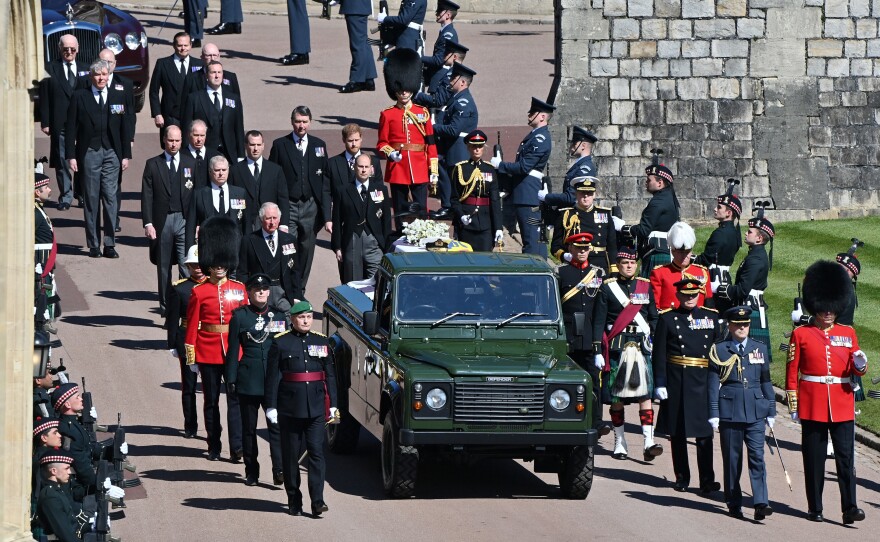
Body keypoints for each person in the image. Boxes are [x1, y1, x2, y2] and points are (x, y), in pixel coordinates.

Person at [786, 260, 867, 525]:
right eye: (824, 308)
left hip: (842, 402)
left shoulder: (848, 332)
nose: (828, 313)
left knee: (846, 459)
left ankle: (850, 507)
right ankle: (815, 507)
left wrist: (861, 364)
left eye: (832, 308)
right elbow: (792, 371)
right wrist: (794, 404)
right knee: (814, 459)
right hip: (813, 403)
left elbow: (856, 366)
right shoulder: (802, 334)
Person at [184, 216, 248, 461]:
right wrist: (192, 356)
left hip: (234, 352)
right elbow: (192, 327)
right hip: (208, 351)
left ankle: (237, 447)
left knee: (235, 402)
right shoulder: (199, 292)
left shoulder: (239, 289)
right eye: (215, 262)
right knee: (211, 402)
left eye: (223, 262)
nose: (219, 266)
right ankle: (213, 445)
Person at [267, 300, 338, 517]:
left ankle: (317, 500)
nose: (306, 321)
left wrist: (334, 405)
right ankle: (293, 498)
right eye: (301, 317)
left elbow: (330, 376)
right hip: (290, 409)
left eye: (308, 317)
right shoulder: (281, 343)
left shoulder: (322, 342)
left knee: (316, 453)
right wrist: (271, 407)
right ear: (292, 320)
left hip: (315, 409)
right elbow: (272, 378)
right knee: (291, 456)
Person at [592, 246, 661, 461]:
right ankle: (619, 442)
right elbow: (599, 321)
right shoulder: (608, 288)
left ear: (636, 264)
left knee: (645, 395)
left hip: (641, 346)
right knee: (617, 397)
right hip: (618, 347)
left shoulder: (645, 286)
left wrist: (656, 342)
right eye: (625, 263)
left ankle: (648, 441)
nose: (629, 266)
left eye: (632, 263)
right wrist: (597, 349)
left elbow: (653, 317)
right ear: (618, 265)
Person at [653, 278, 720, 494]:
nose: (690, 298)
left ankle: (707, 479)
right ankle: (682, 476)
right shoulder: (668, 319)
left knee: (704, 434)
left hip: (703, 379)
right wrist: (660, 382)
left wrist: (719, 381)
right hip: (677, 380)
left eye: (694, 295)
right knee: (678, 432)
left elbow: (718, 354)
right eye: (686, 295)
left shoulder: (711, 317)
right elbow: (659, 354)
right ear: (679, 296)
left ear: (699, 294)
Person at [708, 306, 775, 520]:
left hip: (756, 411)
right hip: (730, 410)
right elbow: (712, 384)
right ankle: (733, 501)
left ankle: (761, 502)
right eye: (738, 325)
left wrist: (771, 410)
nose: (742, 328)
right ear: (730, 326)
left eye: (745, 325)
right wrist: (714, 412)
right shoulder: (719, 350)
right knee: (732, 459)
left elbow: (766, 381)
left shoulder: (759, 348)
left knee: (757, 457)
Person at [66, 59, 132, 259]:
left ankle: (110, 244)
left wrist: (126, 154)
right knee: (92, 198)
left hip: (112, 152)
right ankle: (94, 244)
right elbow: (70, 128)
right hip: (90, 152)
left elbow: (124, 127)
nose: (101, 78)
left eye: (104, 74)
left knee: (111, 198)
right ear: (91, 77)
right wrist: (71, 155)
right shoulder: (80, 97)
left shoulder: (117, 95)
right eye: (97, 75)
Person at [226, 274, 288, 486]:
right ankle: (251, 471)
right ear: (249, 293)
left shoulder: (279, 317)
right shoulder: (240, 317)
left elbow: (286, 351)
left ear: (269, 292)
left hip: (274, 381)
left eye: (264, 289)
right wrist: (231, 379)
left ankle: (279, 469)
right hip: (249, 380)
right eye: (256, 289)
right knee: (249, 429)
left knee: (276, 427)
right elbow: (233, 352)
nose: (261, 292)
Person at [269, 106, 331, 291]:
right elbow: (273, 176)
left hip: (310, 206)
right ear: (292, 122)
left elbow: (325, 180)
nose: (301, 126)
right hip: (289, 204)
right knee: (288, 246)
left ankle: (299, 289)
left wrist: (325, 212)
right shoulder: (280, 145)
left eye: (304, 122)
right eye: (297, 121)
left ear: (310, 123)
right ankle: (285, 286)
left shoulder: (318, 145)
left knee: (306, 248)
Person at [377, 49, 438, 231]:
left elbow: (430, 144)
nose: (403, 92)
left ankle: (422, 234)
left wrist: (432, 169)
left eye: (406, 89)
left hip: (419, 166)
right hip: (398, 168)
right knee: (400, 209)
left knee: (421, 209)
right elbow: (381, 144)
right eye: (400, 89)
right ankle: (401, 235)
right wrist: (391, 153)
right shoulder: (387, 115)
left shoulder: (422, 112)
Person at [141, 125, 198, 315]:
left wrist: (197, 222)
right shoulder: (153, 164)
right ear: (164, 141)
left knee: (185, 263)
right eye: (170, 140)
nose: (174, 144)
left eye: (177, 140)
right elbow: (147, 196)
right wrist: (148, 223)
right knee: (164, 266)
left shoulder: (191, 163)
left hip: (184, 220)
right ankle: (166, 308)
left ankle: (185, 306)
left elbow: (197, 194)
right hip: (162, 221)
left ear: (182, 141)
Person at [491, 97, 554, 257]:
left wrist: (500, 165)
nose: (529, 115)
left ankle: (536, 271)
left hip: (528, 194)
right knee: (532, 238)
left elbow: (524, 166)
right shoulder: (535, 136)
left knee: (532, 239)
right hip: (525, 192)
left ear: (542, 116)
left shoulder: (540, 138)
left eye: (533, 112)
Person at [557, 232, 606, 434]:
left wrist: (597, 344)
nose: (583, 251)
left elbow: (600, 310)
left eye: (586, 248)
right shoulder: (560, 273)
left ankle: (596, 421)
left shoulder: (598, 274)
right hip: (568, 335)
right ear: (570, 249)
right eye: (579, 248)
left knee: (594, 381)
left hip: (588, 336)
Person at [421, 62, 478, 220]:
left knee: (456, 181)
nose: (450, 80)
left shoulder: (463, 102)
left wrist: (433, 127)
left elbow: (454, 129)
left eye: (454, 77)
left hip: (458, 148)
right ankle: (448, 206)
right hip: (451, 147)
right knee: (446, 177)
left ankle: (453, 208)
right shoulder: (456, 98)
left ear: (462, 82)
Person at [88, 48, 136, 233]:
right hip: (93, 145)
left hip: (115, 145)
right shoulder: (88, 83)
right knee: (93, 188)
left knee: (114, 185)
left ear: (115, 64)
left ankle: (113, 219)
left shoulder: (124, 85)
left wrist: (129, 140)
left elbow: (130, 116)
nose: (106, 66)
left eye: (109, 63)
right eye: (102, 62)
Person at [39, 34, 88, 210]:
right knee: (62, 160)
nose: (69, 52)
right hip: (60, 123)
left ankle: (81, 193)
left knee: (82, 159)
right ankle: (66, 196)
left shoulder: (86, 69)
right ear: (59, 49)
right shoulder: (50, 68)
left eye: (72, 49)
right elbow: (44, 98)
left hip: (82, 124)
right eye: (65, 49)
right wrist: (45, 121)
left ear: (78, 49)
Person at [714, 213, 775, 356]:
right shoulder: (755, 255)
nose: (746, 233)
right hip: (750, 305)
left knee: (751, 356)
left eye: (750, 232)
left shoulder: (755, 259)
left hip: (749, 306)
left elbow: (742, 290)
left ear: (759, 238)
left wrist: (722, 288)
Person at [332, 153, 392, 282]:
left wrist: (386, 247)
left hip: (374, 243)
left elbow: (386, 221)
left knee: (377, 283)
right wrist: (337, 247)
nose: (364, 170)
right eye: (360, 166)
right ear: (354, 167)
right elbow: (337, 220)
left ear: (371, 168)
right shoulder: (343, 190)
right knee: (353, 282)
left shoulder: (381, 189)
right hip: (352, 241)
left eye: (366, 166)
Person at [613, 161, 680, 277]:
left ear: (660, 183)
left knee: (648, 291)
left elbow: (644, 230)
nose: (646, 183)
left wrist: (622, 226)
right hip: (663, 251)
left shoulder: (658, 202)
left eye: (649, 180)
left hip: (656, 252)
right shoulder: (668, 198)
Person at [167, 246, 205, 438]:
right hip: (186, 339)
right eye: (193, 265)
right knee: (188, 386)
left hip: (208, 339)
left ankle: (211, 427)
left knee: (209, 388)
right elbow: (172, 318)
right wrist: (172, 343)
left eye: (199, 264)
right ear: (188, 266)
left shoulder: (214, 286)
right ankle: (190, 425)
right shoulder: (179, 288)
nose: (197, 268)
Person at [239, 203, 302, 312]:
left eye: (275, 218)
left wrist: (297, 296)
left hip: (284, 293)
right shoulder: (248, 241)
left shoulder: (289, 239)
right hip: (259, 293)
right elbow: (242, 272)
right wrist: (246, 296)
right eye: (268, 218)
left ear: (279, 219)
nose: (272, 222)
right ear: (261, 219)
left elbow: (295, 271)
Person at [181, 60, 245, 162]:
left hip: (230, 153)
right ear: (206, 76)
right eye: (213, 72)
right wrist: (185, 154)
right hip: (204, 152)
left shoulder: (233, 98)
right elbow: (186, 129)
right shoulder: (194, 98)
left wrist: (241, 155)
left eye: (219, 72)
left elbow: (239, 128)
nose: (216, 76)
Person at [550, 177, 617, 273]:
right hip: (575, 263)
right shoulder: (566, 215)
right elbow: (555, 246)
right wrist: (565, 256)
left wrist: (614, 267)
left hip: (600, 263)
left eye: (589, 193)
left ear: (594, 195)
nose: (586, 196)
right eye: (582, 193)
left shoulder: (604, 214)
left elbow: (612, 245)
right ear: (576, 194)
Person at [449, 130, 502, 251]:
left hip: (485, 223)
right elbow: (454, 199)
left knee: (485, 260)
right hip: (466, 223)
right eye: (474, 146)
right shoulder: (460, 169)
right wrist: (461, 216)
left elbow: (495, 201)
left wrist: (498, 227)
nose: (477, 149)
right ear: (468, 147)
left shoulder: (490, 169)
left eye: (480, 146)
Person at [230, 130, 290, 231]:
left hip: (269, 223)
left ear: (263, 146)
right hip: (243, 224)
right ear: (246, 145)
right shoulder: (235, 170)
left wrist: (283, 224)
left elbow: (283, 198)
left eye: (258, 145)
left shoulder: (275, 170)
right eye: (252, 145)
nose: (255, 148)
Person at [149, 33, 204, 143]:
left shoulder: (199, 64)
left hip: (193, 116)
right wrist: (157, 114)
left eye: (186, 45)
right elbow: (154, 91)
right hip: (170, 116)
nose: (183, 48)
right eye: (179, 45)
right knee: (171, 146)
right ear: (174, 46)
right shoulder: (163, 64)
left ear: (191, 46)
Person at [185, 155, 248, 250]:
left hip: (234, 250)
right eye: (217, 170)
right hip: (208, 249)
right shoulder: (199, 194)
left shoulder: (240, 193)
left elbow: (246, 224)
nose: (221, 173)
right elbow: (190, 226)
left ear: (228, 170)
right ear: (210, 171)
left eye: (224, 170)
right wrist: (189, 252)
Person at [649, 222, 711, 311]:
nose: (684, 256)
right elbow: (655, 305)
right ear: (673, 251)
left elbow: (708, 304)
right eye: (680, 252)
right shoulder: (659, 273)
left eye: (687, 252)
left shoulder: (702, 272)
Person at [539, 126, 599, 213]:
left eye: (574, 144)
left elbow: (571, 198)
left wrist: (546, 197)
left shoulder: (584, 168)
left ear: (583, 145)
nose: (571, 147)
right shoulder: (580, 165)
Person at [694, 179, 742, 287]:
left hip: (713, 281)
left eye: (719, 207)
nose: (715, 209)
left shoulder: (720, 233)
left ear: (728, 213)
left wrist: (686, 257)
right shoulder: (734, 233)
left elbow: (706, 259)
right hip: (725, 280)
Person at [52, 383, 97, 490]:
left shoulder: (73, 423)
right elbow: (79, 462)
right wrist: (96, 483)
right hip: (79, 484)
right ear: (67, 404)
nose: (81, 399)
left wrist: (110, 450)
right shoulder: (68, 429)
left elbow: (88, 446)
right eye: (77, 397)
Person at [325, 123, 382, 201]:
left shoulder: (374, 162)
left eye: (356, 140)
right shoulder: (332, 163)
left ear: (361, 138)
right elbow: (326, 192)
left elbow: (379, 188)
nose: (354, 144)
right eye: (350, 141)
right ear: (343, 140)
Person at [180, 43, 242, 113]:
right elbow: (184, 106)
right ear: (202, 57)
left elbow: (237, 105)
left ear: (219, 56)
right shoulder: (191, 78)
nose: (212, 58)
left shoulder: (231, 77)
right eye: (209, 56)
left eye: (215, 55)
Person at [36, 450, 82, 542]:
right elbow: (65, 535)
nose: (69, 472)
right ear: (54, 471)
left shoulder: (57, 490)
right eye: (66, 468)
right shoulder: (50, 496)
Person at [34, 173, 60, 334]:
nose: (50, 190)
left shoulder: (39, 209)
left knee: (50, 295)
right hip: (40, 263)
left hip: (46, 263)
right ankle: (41, 322)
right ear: (37, 192)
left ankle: (47, 319)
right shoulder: (35, 213)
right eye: (46, 188)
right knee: (42, 293)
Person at [339, 0, 377, 92]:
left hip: (354, 5)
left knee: (357, 44)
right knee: (363, 41)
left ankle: (357, 80)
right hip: (359, 6)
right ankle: (368, 78)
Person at [421, 0, 459, 84]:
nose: (436, 14)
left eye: (439, 11)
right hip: (440, 74)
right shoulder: (445, 31)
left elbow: (439, 60)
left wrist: (419, 57)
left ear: (448, 15)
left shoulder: (448, 34)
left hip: (441, 77)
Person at [183, 119, 220, 189]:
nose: (199, 139)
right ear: (189, 135)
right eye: (196, 135)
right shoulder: (181, 156)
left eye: (202, 135)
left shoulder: (215, 155)